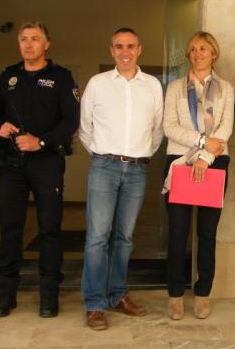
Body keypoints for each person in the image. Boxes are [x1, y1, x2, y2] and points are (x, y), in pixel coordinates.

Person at [0, 21, 79, 318]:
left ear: (46, 44)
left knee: (49, 229)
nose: (28, 44)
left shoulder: (61, 77)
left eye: (35, 39)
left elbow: (70, 121)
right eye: (24, 39)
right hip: (12, 164)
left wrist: (40, 142)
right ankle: (5, 294)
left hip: (47, 163)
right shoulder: (8, 77)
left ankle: (48, 295)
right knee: (10, 229)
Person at [79, 28, 164, 330]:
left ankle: (117, 294)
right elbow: (85, 128)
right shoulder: (98, 83)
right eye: (119, 46)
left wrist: (141, 154)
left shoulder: (152, 85)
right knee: (97, 238)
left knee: (125, 238)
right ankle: (94, 303)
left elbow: (157, 129)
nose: (125, 52)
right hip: (104, 166)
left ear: (139, 49)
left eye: (130, 46)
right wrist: (103, 155)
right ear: (111, 50)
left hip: (138, 169)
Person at [162, 32, 234, 321]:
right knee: (178, 232)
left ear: (213, 53)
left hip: (215, 162)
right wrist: (202, 142)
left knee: (207, 232)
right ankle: (175, 295)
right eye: (192, 49)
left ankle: (203, 293)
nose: (197, 53)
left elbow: (225, 128)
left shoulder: (226, 88)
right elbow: (169, 126)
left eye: (203, 48)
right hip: (180, 160)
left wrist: (206, 157)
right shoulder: (175, 88)